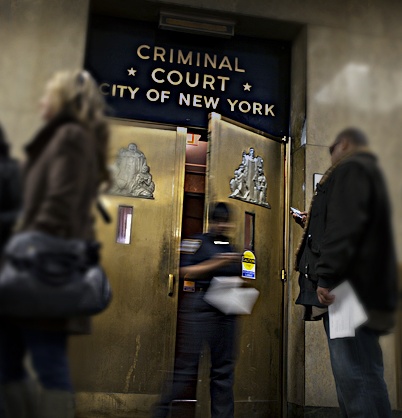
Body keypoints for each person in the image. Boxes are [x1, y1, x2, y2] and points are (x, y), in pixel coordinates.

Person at [0, 69, 109, 418]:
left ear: (63, 99)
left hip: (44, 267)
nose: (40, 102)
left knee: (48, 364)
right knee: (9, 362)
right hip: (35, 263)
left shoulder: (70, 136)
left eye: (47, 95)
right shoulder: (58, 137)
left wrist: (25, 245)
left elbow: (60, 201)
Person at [293, 127, 398, 418]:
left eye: (334, 147)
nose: (330, 153)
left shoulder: (350, 171)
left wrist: (327, 278)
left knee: (353, 374)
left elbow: (345, 229)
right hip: (359, 287)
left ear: (348, 144)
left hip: (346, 291)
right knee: (365, 370)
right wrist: (311, 224)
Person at [153, 202, 242, 418]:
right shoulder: (196, 242)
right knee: (187, 366)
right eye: (218, 221)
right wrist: (217, 263)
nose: (222, 226)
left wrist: (241, 275)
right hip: (200, 307)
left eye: (226, 221)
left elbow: (243, 275)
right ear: (211, 221)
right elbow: (185, 271)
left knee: (223, 371)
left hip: (227, 308)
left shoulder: (230, 247)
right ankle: (161, 411)